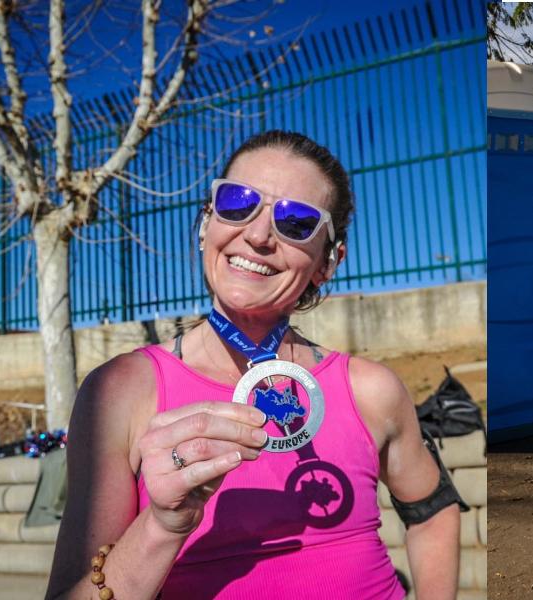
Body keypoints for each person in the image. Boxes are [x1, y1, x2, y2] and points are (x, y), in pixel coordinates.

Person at [45, 131, 463, 599]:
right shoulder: (120, 391)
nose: (259, 234)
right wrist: (162, 526)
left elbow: (434, 508)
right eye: (237, 202)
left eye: (297, 221)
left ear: (328, 261)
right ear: (207, 222)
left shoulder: (370, 389)